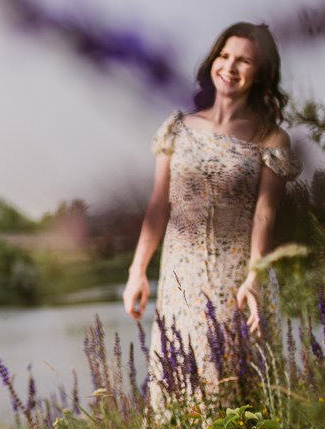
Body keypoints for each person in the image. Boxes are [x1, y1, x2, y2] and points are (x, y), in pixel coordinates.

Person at [123, 22, 301, 408]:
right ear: (213, 60)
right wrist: (138, 270)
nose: (230, 67)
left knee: (234, 387)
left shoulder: (270, 139)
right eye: (224, 55)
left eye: (244, 61)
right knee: (181, 380)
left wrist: (254, 278)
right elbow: (157, 206)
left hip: (235, 277)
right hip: (180, 278)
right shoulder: (178, 128)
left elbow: (264, 216)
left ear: (261, 73)